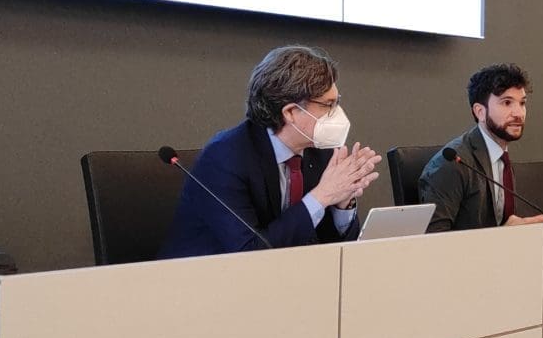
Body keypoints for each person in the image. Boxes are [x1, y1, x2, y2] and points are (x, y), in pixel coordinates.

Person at [158, 45, 381, 259]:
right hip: (201, 278)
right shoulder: (224, 158)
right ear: (291, 112)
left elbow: (328, 245)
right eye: (328, 104)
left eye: (337, 102)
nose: (337, 113)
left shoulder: (321, 151)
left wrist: (343, 202)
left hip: (286, 275)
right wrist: (322, 196)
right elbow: (251, 252)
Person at [418, 63, 543, 231]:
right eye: (507, 103)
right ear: (480, 111)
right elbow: (435, 239)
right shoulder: (452, 164)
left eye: (522, 103)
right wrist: (503, 236)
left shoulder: (502, 159)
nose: (519, 113)